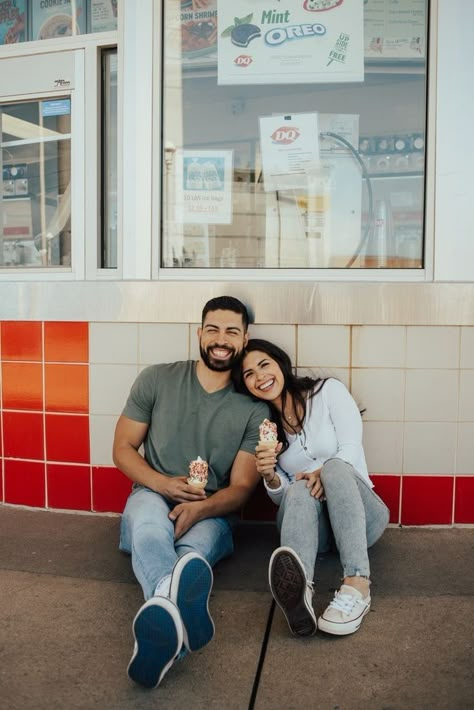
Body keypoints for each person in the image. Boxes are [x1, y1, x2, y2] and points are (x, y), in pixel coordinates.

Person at [113, 297, 269, 688]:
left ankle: (166, 625)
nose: (221, 339)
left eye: (232, 331)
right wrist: (163, 484)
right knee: (151, 530)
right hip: (151, 493)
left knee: (192, 558)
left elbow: (242, 488)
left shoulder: (253, 408)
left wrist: (200, 510)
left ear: (245, 339)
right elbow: (121, 449)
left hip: (213, 512)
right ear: (199, 334)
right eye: (213, 329)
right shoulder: (157, 379)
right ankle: (175, 611)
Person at [235, 339, 390, 637]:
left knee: (333, 468)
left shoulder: (327, 392)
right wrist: (270, 477)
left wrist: (322, 472)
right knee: (298, 489)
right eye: (249, 374)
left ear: (281, 364)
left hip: (362, 518)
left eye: (264, 365)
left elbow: (350, 446)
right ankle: (300, 590)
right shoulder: (267, 429)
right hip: (317, 533)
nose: (260, 377)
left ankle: (358, 585)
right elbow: (285, 503)